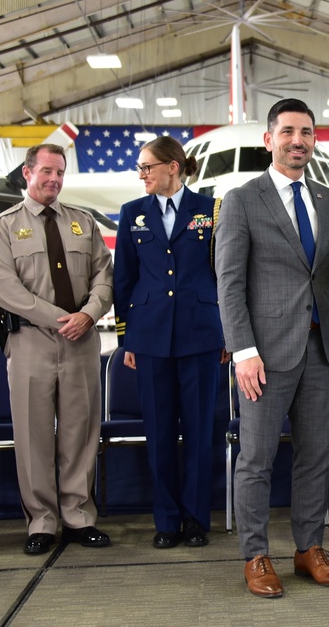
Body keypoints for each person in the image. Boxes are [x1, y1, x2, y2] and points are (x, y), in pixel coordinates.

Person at [216, 99, 329, 598]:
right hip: (264, 356)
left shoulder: (327, 199)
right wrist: (243, 349)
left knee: (315, 456)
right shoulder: (241, 199)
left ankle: (307, 549)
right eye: (289, 131)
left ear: (315, 141)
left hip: (320, 350)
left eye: (308, 132)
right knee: (256, 459)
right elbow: (229, 283)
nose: (299, 140)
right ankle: (255, 555)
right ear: (269, 140)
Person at [0, 143, 114, 554]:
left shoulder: (83, 223)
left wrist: (90, 314)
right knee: (33, 434)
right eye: (46, 172)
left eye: (59, 173)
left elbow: (104, 277)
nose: (54, 180)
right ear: (27, 173)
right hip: (30, 344)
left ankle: (78, 516)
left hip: (81, 341)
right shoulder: (3, 227)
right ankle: (41, 521)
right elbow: (5, 289)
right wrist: (63, 319)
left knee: (80, 431)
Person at [114, 136, 225, 549]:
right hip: (150, 336)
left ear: (173, 167)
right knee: (159, 433)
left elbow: (226, 275)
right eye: (140, 168)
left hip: (200, 333)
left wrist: (227, 332)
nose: (142, 174)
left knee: (200, 432)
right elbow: (123, 279)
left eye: (147, 167)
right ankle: (166, 520)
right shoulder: (132, 214)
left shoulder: (211, 210)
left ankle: (196, 519)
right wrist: (127, 340)